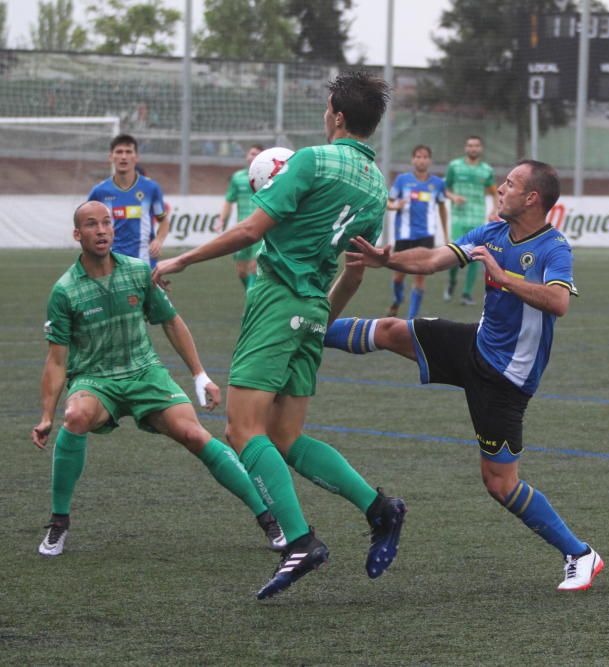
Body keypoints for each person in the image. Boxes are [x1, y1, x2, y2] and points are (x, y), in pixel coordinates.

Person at [152, 71, 406, 600]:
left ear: (336, 115)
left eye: (325, 107)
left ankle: (300, 541)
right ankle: (379, 509)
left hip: (277, 300)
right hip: (315, 306)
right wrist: (315, 323)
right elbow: (356, 271)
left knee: (244, 432)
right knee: (286, 438)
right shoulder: (379, 188)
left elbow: (250, 231)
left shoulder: (312, 160)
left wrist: (183, 257)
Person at [326, 159, 604, 591]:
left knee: (500, 483)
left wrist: (503, 276)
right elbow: (437, 258)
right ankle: (309, 331)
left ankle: (580, 554)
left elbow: (558, 302)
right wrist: (389, 259)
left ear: (532, 198)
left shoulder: (554, 248)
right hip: (474, 345)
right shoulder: (491, 232)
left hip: (506, 379)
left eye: (509, 184)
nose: (500, 189)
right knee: (389, 330)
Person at [33, 201, 285, 558]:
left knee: (195, 434)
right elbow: (56, 361)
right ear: (78, 234)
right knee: (74, 418)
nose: (102, 230)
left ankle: (268, 517)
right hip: (95, 379)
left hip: (145, 373)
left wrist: (200, 375)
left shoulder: (138, 272)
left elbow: (171, 321)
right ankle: (59, 522)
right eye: (92, 224)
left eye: (106, 223)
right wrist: (47, 415)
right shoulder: (64, 291)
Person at [385, 144, 449, 318]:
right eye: (418, 156)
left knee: (420, 278)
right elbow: (388, 203)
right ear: (413, 159)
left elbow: (442, 207)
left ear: (430, 160)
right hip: (404, 236)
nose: (421, 160)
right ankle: (397, 300)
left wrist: (446, 234)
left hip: (426, 236)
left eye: (425, 156)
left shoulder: (437, 183)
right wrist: (395, 205)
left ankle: (410, 319)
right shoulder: (402, 180)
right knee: (398, 277)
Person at [88, 134, 170, 267]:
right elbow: (87, 224)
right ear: (111, 157)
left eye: (128, 152)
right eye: (119, 152)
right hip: (111, 263)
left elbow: (163, 220)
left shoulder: (151, 188)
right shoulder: (100, 192)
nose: (124, 157)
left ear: (136, 157)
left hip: (145, 263)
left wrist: (159, 241)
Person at [444, 135, 498, 305]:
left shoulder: (487, 170)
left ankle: (466, 293)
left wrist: (494, 210)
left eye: (476, 145)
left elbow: (494, 192)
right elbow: (445, 188)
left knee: (476, 256)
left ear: (480, 149)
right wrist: (453, 197)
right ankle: (452, 282)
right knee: (454, 254)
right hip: (459, 217)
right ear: (465, 148)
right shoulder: (455, 166)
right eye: (470, 145)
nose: (473, 148)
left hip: (477, 219)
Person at [219, 144, 265, 292]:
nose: (253, 156)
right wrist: (222, 220)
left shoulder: (268, 177)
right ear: (247, 156)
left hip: (260, 230)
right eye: (252, 153)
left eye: (257, 154)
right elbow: (229, 200)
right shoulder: (237, 178)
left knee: (253, 267)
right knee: (241, 270)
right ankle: (251, 296)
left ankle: (250, 305)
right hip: (241, 229)